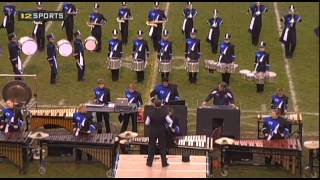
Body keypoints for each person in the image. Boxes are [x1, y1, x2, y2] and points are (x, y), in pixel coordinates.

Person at [145, 99, 172, 167]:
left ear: (154, 104)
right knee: (162, 147)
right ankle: (164, 163)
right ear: (161, 105)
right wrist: (168, 126)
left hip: (153, 131)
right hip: (161, 131)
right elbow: (170, 121)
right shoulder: (164, 112)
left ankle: (149, 163)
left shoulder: (150, 112)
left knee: (151, 147)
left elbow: (146, 123)